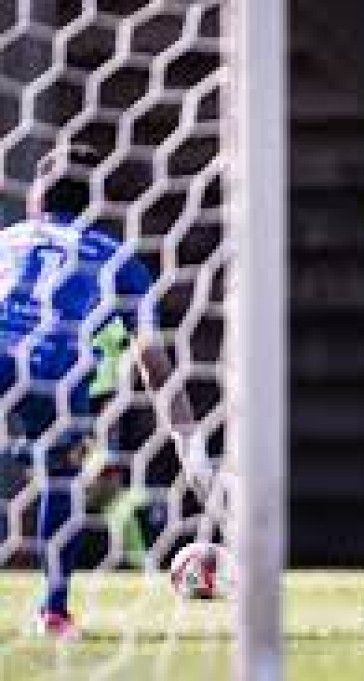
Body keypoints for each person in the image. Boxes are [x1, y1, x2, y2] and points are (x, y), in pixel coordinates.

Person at [1, 144, 211, 639]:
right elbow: (153, 362)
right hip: (51, 368)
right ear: (94, 201)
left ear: (36, 196)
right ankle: (53, 610)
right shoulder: (120, 261)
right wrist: (189, 443)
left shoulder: (6, 238)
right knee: (63, 477)